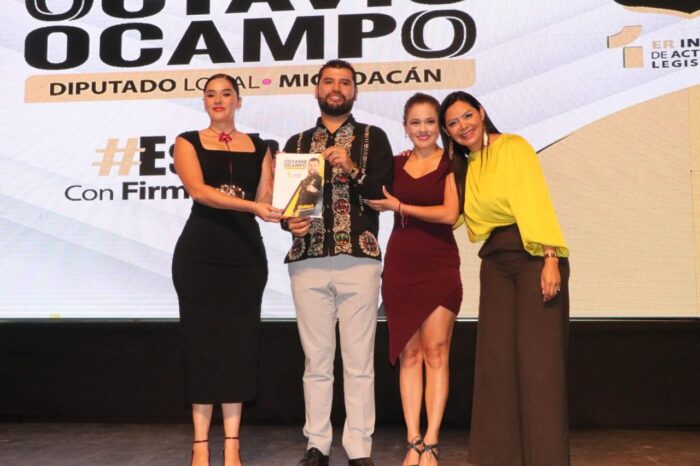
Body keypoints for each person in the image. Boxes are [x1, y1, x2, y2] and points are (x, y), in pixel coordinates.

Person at [439, 91, 570, 466]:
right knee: (497, 366)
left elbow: (534, 199)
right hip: (495, 261)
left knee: (539, 366)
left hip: (534, 256)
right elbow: (451, 216)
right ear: (448, 132)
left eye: (467, 116)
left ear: (481, 113)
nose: (463, 126)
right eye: (453, 123)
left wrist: (549, 258)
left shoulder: (513, 146)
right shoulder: (463, 166)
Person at [283, 59, 394, 466]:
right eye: (328, 81)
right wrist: (290, 223)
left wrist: (352, 168)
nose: (336, 88)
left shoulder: (372, 138)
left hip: (359, 259)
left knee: (359, 361)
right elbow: (290, 208)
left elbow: (383, 194)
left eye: (344, 82)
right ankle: (317, 444)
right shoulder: (297, 143)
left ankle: (359, 449)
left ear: (354, 92)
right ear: (316, 89)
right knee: (316, 361)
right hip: (307, 259)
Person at [171, 73, 282, 466]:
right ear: (204, 102)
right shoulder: (187, 141)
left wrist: (286, 185)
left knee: (239, 347)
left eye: (226, 93)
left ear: (239, 101)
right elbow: (200, 192)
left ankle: (232, 444)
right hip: (200, 255)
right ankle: (200, 444)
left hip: (245, 257)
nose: (218, 99)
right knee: (201, 347)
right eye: (210, 94)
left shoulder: (261, 147)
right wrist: (254, 207)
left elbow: (266, 198)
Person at [365, 93, 461, 466]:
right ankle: (413, 441)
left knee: (436, 352)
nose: (423, 129)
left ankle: (432, 442)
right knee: (410, 355)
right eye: (415, 122)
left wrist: (400, 207)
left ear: (440, 126)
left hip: (439, 265)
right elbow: (363, 187)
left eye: (430, 122)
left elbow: (450, 214)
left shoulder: (452, 163)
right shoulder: (394, 164)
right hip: (401, 265)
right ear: (405, 127)